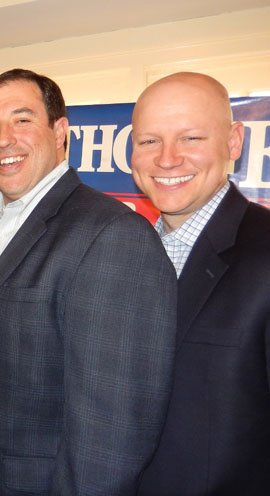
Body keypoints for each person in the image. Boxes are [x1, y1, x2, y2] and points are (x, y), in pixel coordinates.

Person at [0, 68, 177, 495]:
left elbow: (113, 429)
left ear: (60, 132)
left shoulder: (111, 235)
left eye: (22, 120)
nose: (4, 139)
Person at [131, 72, 270, 495]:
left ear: (234, 142)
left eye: (191, 138)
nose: (167, 159)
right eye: (149, 141)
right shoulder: (123, 253)